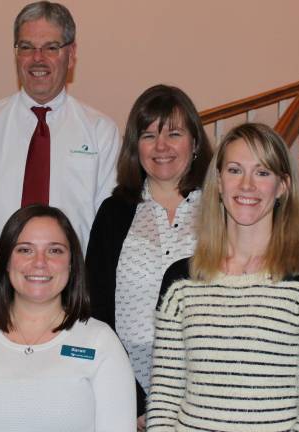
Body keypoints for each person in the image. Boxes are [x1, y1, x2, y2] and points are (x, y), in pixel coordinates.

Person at [147, 123, 299, 431]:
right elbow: (165, 398)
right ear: (219, 183)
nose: (247, 185)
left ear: (282, 186)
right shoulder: (181, 280)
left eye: (262, 173)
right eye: (235, 170)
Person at [0, 1, 120, 315]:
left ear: (72, 53)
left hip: (70, 305)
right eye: (27, 47)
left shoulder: (101, 132)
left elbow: (103, 232)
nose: (37, 59)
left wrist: (74, 296)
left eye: (50, 47)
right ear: (16, 54)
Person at [0, 205, 136, 431]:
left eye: (54, 250)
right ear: (6, 261)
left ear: (72, 263)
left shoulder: (100, 341)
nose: (39, 262)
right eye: (25, 250)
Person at [85, 84, 212, 429]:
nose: (161, 147)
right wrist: (134, 399)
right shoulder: (114, 212)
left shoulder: (221, 209)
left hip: (207, 384)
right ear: (134, 146)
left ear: (195, 142)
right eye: (149, 135)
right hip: (126, 385)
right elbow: (96, 308)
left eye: (174, 133)